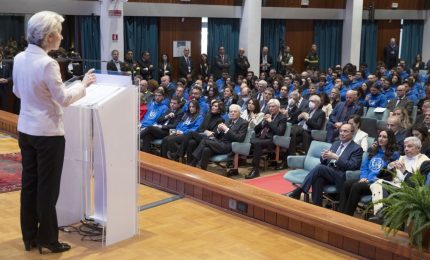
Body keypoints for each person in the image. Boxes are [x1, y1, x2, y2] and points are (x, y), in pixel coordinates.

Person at [13, 11, 97, 254]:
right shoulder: (48, 63)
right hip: (48, 133)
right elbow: (64, 99)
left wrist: (37, 97)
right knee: (48, 189)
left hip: (26, 129)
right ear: (48, 37)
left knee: (29, 184)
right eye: (58, 32)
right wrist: (83, 85)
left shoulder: (19, 58)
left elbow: (18, 91)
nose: (61, 36)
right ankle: (49, 240)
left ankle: (30, 237)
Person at [288, 124, 363, 203]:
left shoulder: (357, 148)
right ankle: (317, 207)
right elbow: (324, 161)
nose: (342, 133)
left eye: (345, 131)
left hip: (341, 174)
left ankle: (299, 190)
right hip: (328, 171)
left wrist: (336, 157)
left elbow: (353, 166)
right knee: (318, 178)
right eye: (340, 131)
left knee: (320, 167)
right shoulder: (336, 143)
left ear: (352, 133)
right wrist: (324, 157)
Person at [339, 130, 399, 216]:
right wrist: (364, 177)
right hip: (366, 179)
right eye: (380, 136)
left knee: (356, 186)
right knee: (347, 184)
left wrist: (369, 180)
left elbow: (387, 173)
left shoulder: (394, 154)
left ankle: (347, 216)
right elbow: (364, 167)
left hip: (378, 183)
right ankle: (341, 213)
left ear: (390, 139)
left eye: (384, 137)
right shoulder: (374, 151)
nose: (381, 139)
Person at [370, 137, 430, 214]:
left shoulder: (426, 162)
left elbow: (420, 184)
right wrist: (389, 166)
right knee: (363, 185)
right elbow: (381, 175)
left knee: (379, 184)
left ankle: (381, 213)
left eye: (409, 146)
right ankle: (381, 214)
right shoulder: (400, 157)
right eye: (405, 146)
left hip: (407, 190)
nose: (406, 149)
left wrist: (405, 172)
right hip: (392, 185)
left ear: (418, 148)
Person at [188, 104, 248, 171]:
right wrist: (218, 130)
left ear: (239, 113)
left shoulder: (244, 123)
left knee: (205, 141)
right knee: (206, 149)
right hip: (220, 143)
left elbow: (239, 138)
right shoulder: (228, 121)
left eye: (235, 111)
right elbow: (216, 135)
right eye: (231, 112)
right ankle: (203, 169)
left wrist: (226, 129)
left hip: (229, 146)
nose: (232, 113)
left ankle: (193, 162)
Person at [246, 99, 287, 179]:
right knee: (249, 141)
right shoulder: (267, 114)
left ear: (278, 107)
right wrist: (262, 123)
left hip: (273, 141)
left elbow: (279, 132)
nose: (270, 108)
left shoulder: (282, 118)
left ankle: (255, 170)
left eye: (273, 106)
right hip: (261, 138)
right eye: (269, 107)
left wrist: (271, 122)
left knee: (257, 143)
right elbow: (256, 129)